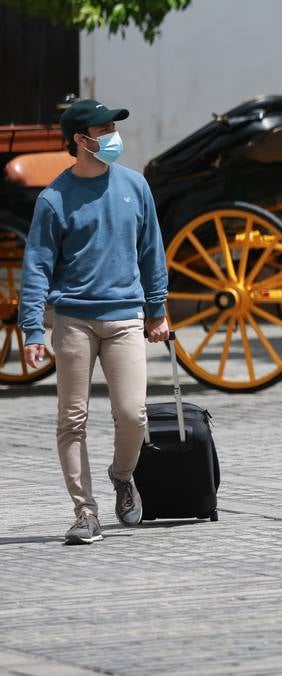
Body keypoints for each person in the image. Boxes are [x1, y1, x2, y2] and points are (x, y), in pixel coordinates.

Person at [19, 99, 169, 545]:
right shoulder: (54, 199)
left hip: (125, 318)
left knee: (133, 414)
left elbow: (151, 251)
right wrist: (31, 329)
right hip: (73, 322)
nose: (111, 136)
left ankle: (122, 477)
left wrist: (157, 309)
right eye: (102, 129)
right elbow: (37, 267)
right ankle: (85, 514)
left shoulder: (135, 186)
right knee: (73, 419)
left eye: (112, 127)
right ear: (79, 141)